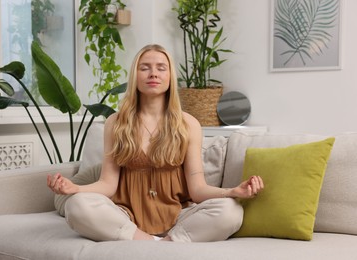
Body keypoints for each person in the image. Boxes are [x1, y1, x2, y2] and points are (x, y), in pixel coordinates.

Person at [47, 44, 264, 242]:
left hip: (178, 216)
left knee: (231, 211)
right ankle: (149, 243)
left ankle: (165, 243)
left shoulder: (189, 124)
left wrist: (233, 191)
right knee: (78, 206)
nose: (153, 73)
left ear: (170, 76)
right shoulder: (115, 123)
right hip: (124, 215)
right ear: (135, 76)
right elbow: (107, 184)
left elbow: (197, 190)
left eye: (161, 68)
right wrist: (75, 188)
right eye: (145, 68)